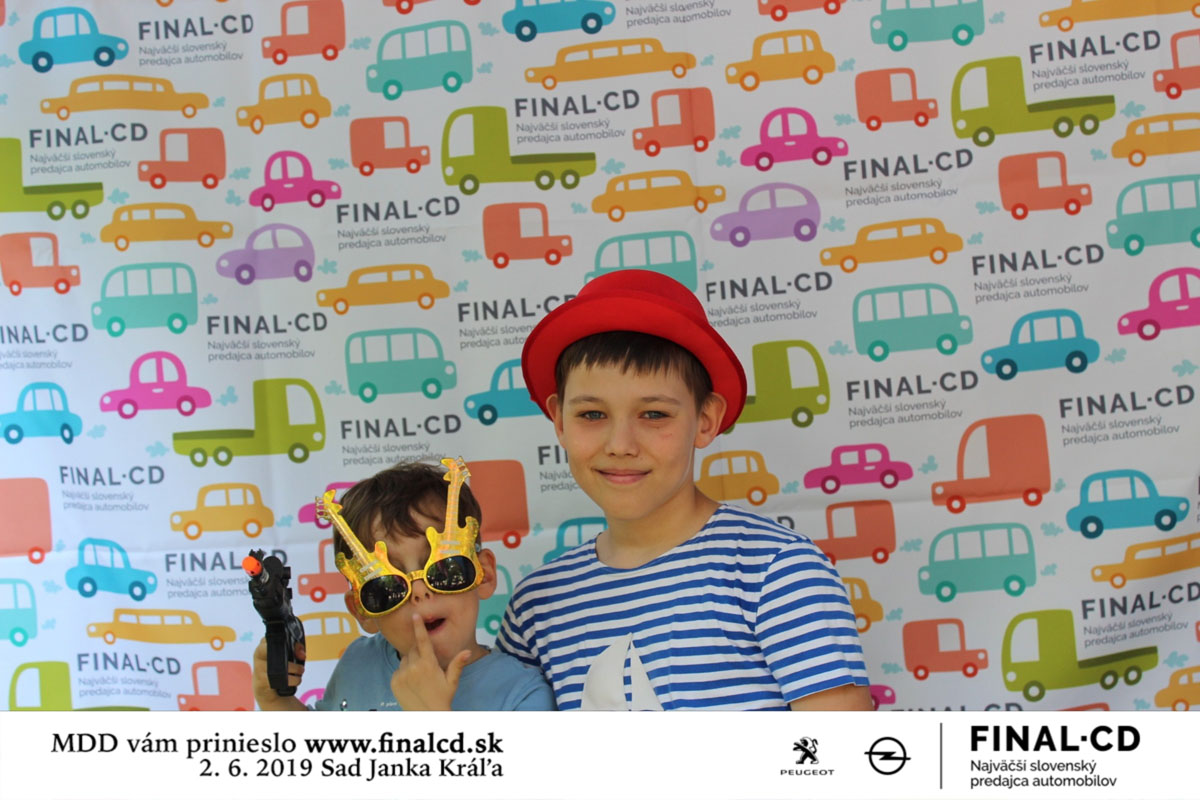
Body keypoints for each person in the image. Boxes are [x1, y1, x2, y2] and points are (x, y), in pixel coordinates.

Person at [497, 269, 873, 710]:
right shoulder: (537, 606)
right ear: (559, 420)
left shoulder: (776, 572)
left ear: (706, 420)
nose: (620, 445)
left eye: (654, 414)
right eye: (592, 415)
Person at [252, 460, 555, 711]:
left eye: (445, 569)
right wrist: (275, 700)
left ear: (484, 574)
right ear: (362, 610)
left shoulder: (522, 694)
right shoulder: (358, 662)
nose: (420, 592)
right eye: (386, 586)